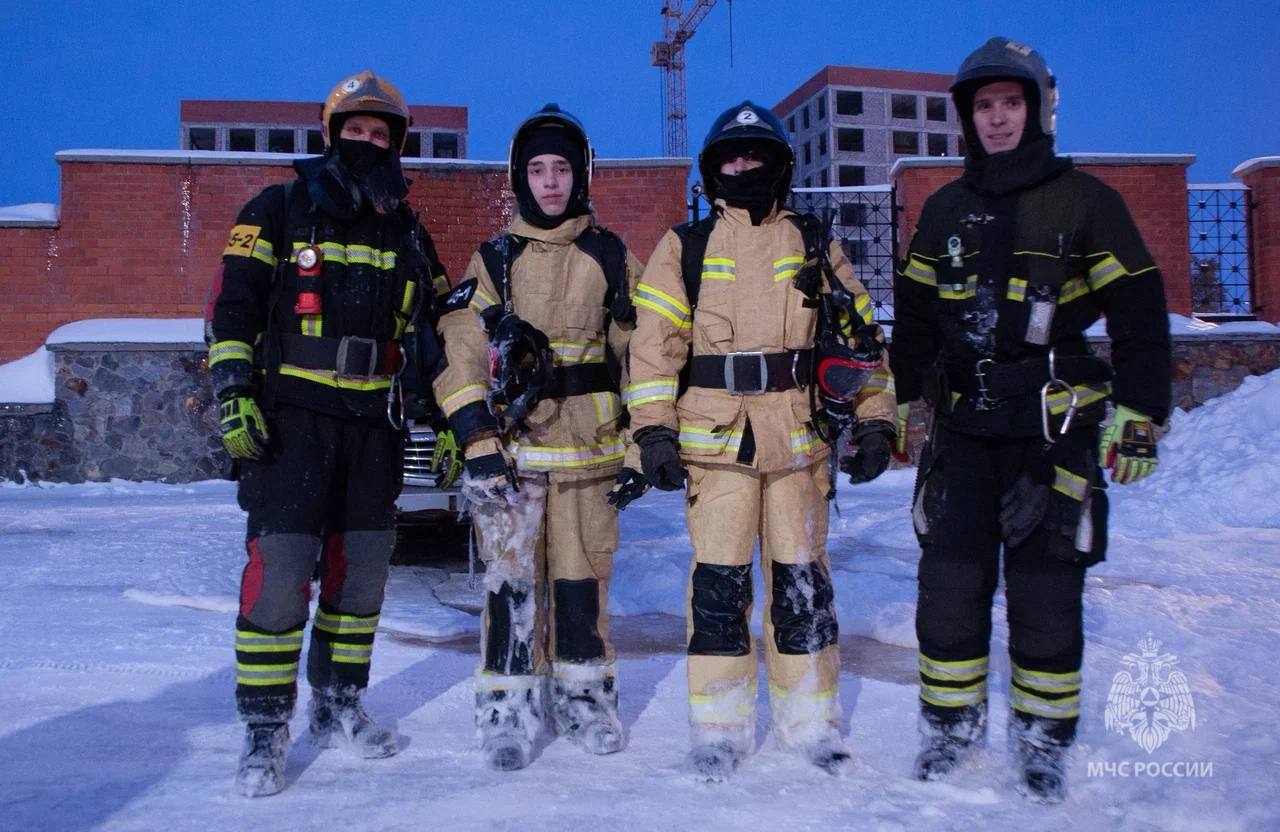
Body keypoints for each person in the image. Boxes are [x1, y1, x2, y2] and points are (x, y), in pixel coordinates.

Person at [892, 37, 1172, 803]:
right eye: (984, 106)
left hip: (1054, 438)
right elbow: (914, 319)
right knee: (948, 586)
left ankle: (1043, 738)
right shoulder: (946, 208)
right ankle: (948, 727)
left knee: (1047, 593)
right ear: (965, 117)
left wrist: (1142, 415)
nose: (998, 118)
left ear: (1039, 107)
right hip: (962, 434)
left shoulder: (1086, 202)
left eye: (1011, 103)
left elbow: (1141, 312)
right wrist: (889, 405)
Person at [626, 101, 896, 781]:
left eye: (755, 156)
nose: (742, 167)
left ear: (779, 165)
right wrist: (653, 431)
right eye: (730, 157)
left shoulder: (813, 241)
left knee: (803, 585)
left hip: (799, 441)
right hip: (716, 445)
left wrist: (875, 418)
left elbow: (860, 340)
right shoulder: (682, 247)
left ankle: (810, 721)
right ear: (712, 169)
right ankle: (719, 726)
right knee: (718, 588)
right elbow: (652, 351)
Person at [206, 71, 460, 797]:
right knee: (282, 577)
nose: (369, 141)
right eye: (357, 128)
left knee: (362, 576)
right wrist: (233, 392)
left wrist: (445, 417)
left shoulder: (406, 228)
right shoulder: (277, 208)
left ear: (396, 145)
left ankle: (339, 701)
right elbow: (233, 310)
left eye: (383, 134)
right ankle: (263, 725)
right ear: (331, 132)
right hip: (293, 423)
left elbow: (440, 331)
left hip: (373, 428)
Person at [431, 104, 644, 771]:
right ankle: (508, 708)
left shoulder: (609, 254)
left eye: (562, 169)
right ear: (519, 178)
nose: (550, 182)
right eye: (538, 170)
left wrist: (645, 442)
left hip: (592, 453)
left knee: (583, 581)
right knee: (510, 583)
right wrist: (475, 437)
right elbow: (461, 344)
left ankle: (585, 699)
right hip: (513, 456)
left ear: (580, 175)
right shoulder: (496, 257)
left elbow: (645, 351)